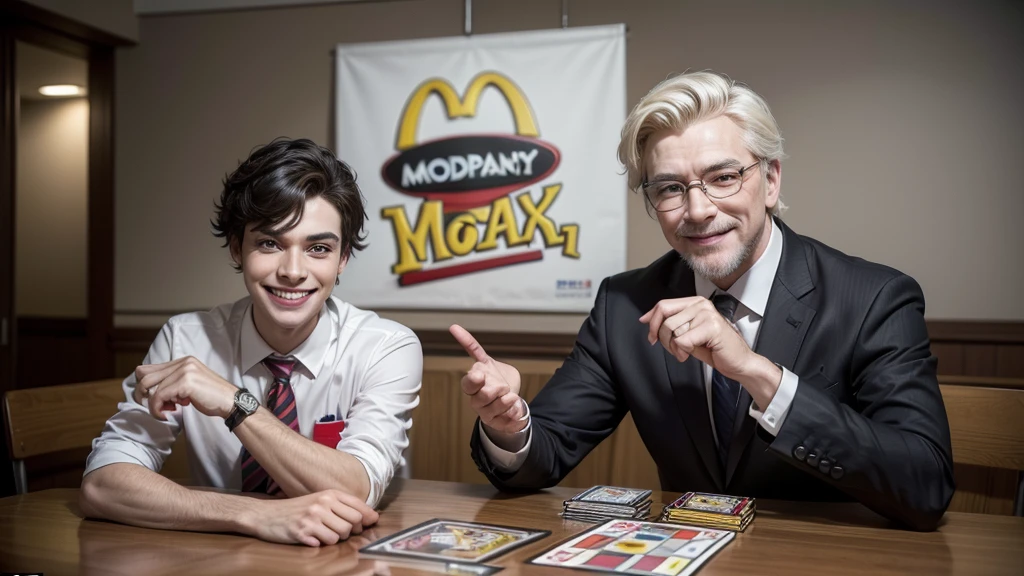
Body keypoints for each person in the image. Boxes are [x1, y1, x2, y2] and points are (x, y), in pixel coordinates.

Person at [451, 71, 954, 531]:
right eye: (670, 188)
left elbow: (925, 484)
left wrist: (760, 375)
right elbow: (546, 452)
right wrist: (512, 427)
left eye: (723, 178)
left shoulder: (873, 299)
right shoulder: (624, 305)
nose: (697, 210)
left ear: (771, 180)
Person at [80, 138, 422, 546]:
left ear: (342, 258)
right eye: (270, 243)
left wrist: (235, 403)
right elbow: (102, 484)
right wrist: (254, 514)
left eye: (318, 248)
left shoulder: (386, 347)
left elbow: (357, 491)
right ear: (237, 249)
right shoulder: (185, 339)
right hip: (224, 559)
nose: (293, 271)